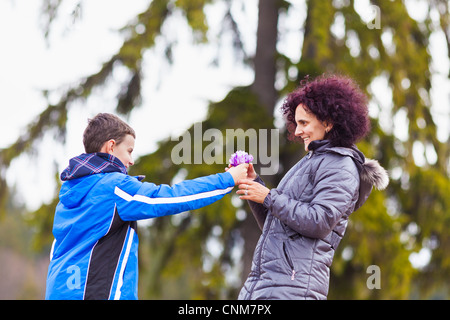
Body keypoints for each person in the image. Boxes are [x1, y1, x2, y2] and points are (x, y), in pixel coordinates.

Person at [45, 113, 248, 300]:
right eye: (129, 151)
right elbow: (171, 197)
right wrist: (227, 179)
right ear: (111, 147)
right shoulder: (114, 187)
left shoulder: (67, 196)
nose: (131, 161)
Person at [236, 74, 389, 300]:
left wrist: (269, 197)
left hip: (293, 290)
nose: (297, 132)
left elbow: (321, 221)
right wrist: (254, 186)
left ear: (328, 123)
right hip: (266, 287)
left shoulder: (340, 166)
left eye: (304, 123)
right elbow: (276, 225)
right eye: (296, 123)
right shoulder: (312, 161)